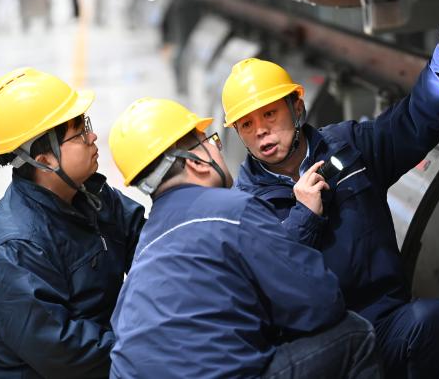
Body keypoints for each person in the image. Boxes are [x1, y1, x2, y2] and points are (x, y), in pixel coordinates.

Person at [221, 27, 439, 379]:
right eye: (247, 124)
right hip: (320, 352)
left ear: (296, 107)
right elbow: (260, 287)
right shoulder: (244, 207)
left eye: (269, 114)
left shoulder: (349, 148)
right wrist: (303, 219)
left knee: (435, 321)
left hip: (383, 324)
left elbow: (413, 123)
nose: (261, 130)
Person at [108, 97, 381, 378]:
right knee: (354, 333)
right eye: (211, 141)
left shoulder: (147, 244)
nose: (217, 148)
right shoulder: (234, 210)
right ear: (197, 162)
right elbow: (321, 303)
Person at [0, 68, 145, 378]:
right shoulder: (14, 250)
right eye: (79, 131)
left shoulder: (91, 195)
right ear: (44, 159)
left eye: (86, 123)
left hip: (104, 354)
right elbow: (66, 353)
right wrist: (148, 346)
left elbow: (150, 244)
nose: (93, 136)